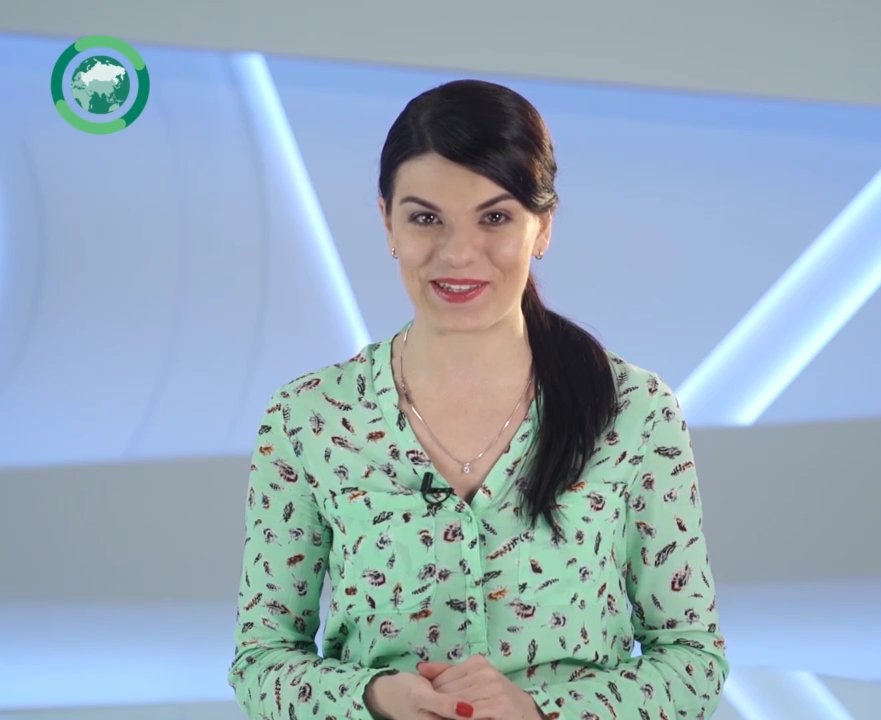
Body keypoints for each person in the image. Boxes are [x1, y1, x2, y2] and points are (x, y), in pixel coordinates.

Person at [226, 79, 729, 720]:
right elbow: (262, 659)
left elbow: (693, 661)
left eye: (495, 218)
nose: (458, 253)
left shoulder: (634, 410)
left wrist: (540, 711)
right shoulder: (308, 417)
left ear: (542, 226)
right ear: (387, 222)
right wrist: (372, 698)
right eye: (425, 218)